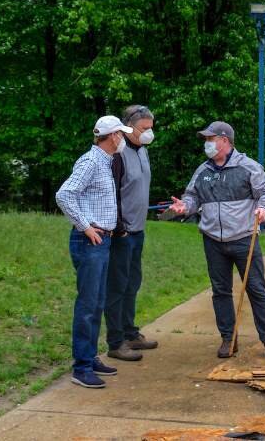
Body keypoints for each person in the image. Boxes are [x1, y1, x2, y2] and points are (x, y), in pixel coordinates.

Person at [169, 121, 265, 361]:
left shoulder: (248, 167)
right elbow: (192, 198)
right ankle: (228, 339)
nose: (206, 144)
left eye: (210, 139)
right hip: (213, 241)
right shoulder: (202, 171)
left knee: (257, 290)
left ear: (224, 140)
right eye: (206, 140)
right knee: (221, 291)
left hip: (244, 238)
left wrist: (263, 208)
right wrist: (184, 207)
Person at [56, 115, 132, 388]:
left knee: (97, 301)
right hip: (91, 241)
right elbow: (64, 194)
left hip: (103, 241)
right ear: (113, 137)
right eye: (121, 135)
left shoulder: (106, 161)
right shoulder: (90, 162)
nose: (122, 139)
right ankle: (82, 367)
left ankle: (89, 357)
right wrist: (86, 227)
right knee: (88, 305)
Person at [105, 105, 158, 361]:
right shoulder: (119, 154)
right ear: (129, 127)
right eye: (145, 128)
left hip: (138, 231)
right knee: (117, 286)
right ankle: (116, 342)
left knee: (132, 283)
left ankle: (130, 332)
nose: (149, 133)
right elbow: (111, 192)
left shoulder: (143, 151)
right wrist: (119, 228)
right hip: (121, 233)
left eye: (151, 128)